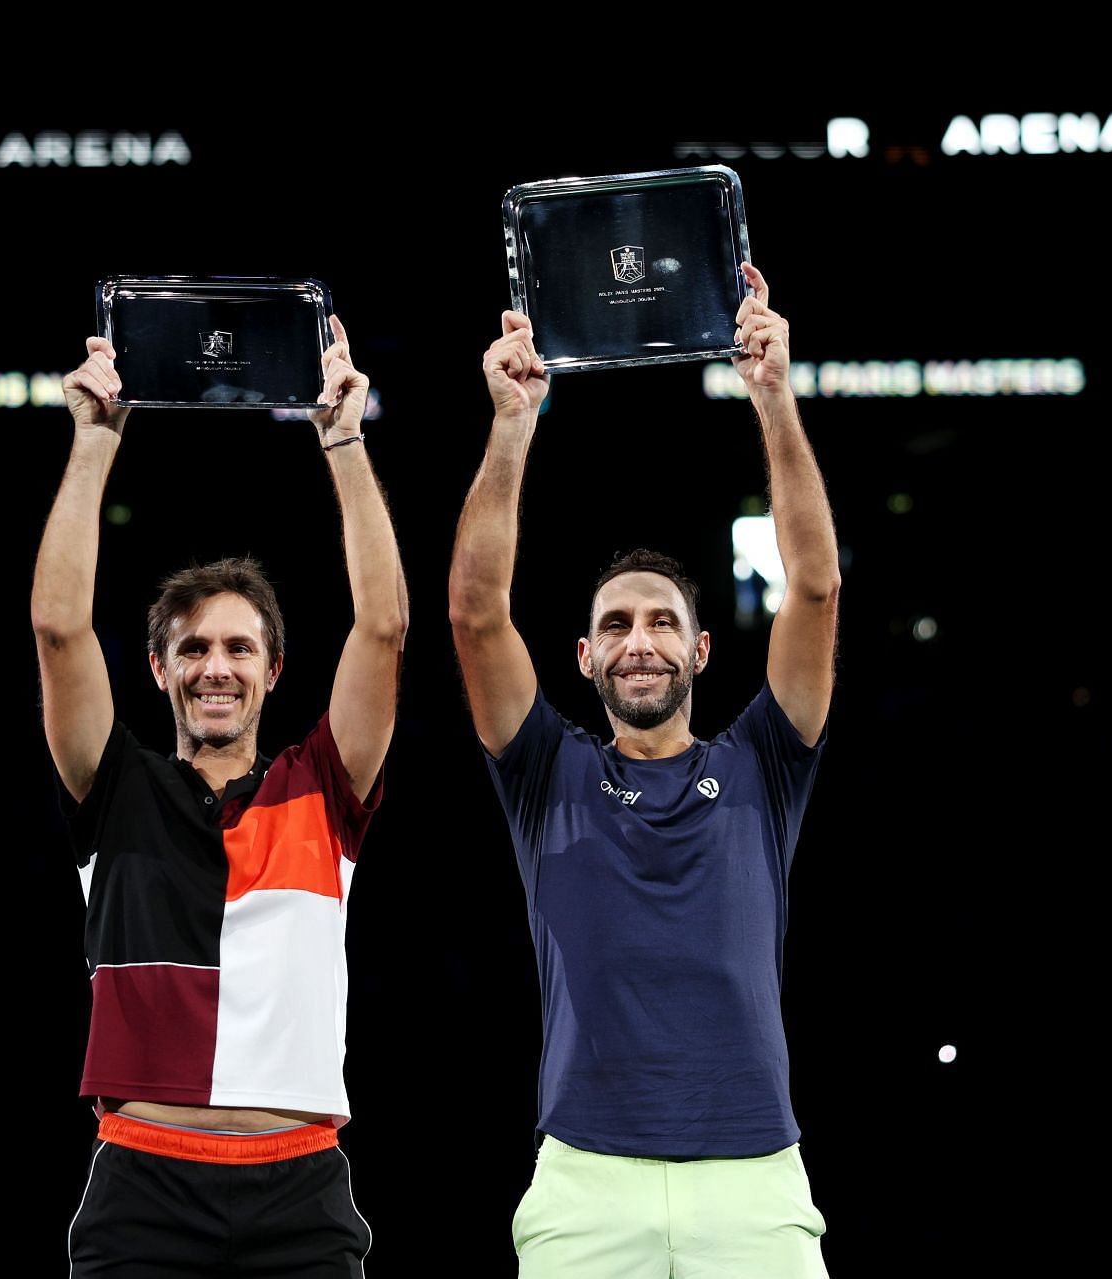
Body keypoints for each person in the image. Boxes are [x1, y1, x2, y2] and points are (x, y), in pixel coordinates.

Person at [448, 264, 840, 1276]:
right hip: (587, 1180)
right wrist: (512, 422)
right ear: (582, 658)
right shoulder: (547, 773)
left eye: (663, 621)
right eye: (615, 625)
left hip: (755, 1176)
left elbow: (819, 586)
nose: (639, 641)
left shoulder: (765, 762)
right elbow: (475, 612)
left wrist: (773, 394)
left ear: (703, 650)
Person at [34, 317, 406, 1276]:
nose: (216, 667)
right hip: (142, 1187)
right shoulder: (114, 788)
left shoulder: (324, 785)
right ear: (157, 669)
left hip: (302, 1190)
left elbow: (385, 626)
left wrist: (344, 439)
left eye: (239, 647)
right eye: (193, 648)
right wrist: (95, 440)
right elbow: (58, 629)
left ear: (275, 670)